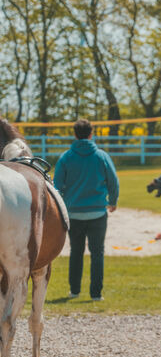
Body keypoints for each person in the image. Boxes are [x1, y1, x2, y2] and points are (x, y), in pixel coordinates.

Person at [54, 119, 119, 301]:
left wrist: (62, 207)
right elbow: (113, 181)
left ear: (75, 134)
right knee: (97, 253)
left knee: (76, 251)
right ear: (91, 134)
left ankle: (74, 291)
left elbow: (57, 186)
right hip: (98, 212)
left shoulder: (66, 157)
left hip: (73, 213)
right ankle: (96, 294)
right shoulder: (101, 156)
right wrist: (112, 201)